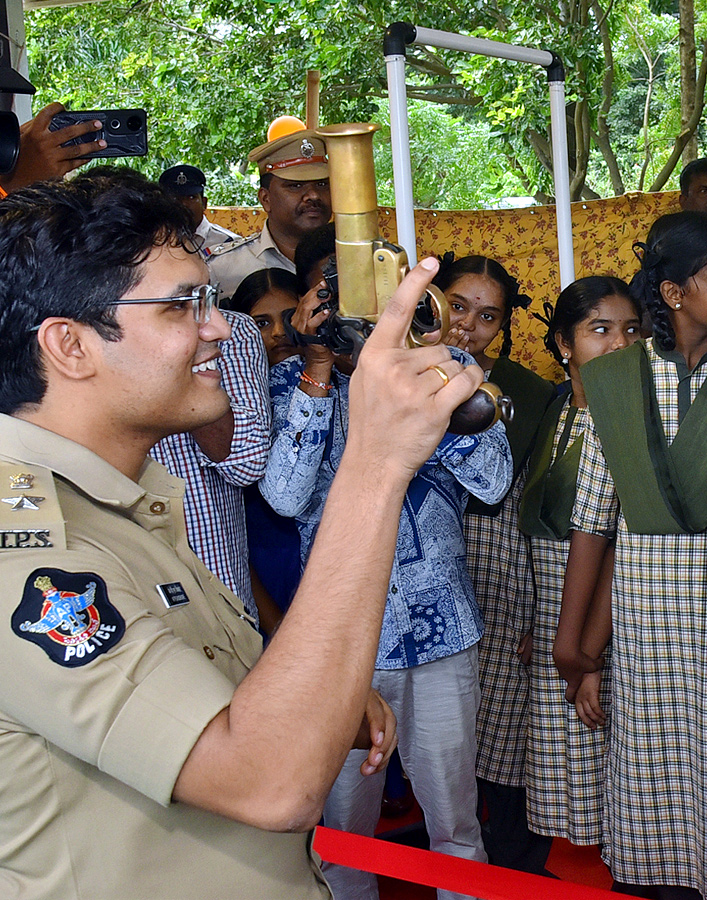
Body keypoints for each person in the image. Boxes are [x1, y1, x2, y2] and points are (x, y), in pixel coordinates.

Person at [0, 171, 488, 898]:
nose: (218, 327)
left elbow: (228, 708)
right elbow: (273, 783)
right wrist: (376, 460)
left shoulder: (134, 507)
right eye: (182, 307)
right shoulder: (20, 567)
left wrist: (321, 699)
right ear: (69, 346)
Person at [260, 262, 511, 900]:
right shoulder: (291, 381)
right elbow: (286, 496)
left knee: (455, 820)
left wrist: (428, 371)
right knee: (346, 835)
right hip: (343, 643)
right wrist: (318, 369)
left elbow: (494, 481)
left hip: (440, 635)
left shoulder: (441, 374)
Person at [554, 211, 707, 898]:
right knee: (654, 760)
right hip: (645, 610)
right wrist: (574, 643)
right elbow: (593, 520)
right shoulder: (615, 379)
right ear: (675, 293)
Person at [436, 254, 556, 872]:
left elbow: (530, 502)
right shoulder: (400, 375)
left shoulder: (530, 393)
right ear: (432, 300)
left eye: (488, 316)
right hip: (426, 571)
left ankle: (512, 858)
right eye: (458, 306)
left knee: (504, 724)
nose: (468, 326)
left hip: (501, 569)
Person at [522, 276, 641, 848]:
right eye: (600, 330)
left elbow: (619, 544)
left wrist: (586, 651)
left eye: (631, 330)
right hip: (554, 613)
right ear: (564, 345)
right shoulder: (555, 410)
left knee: (609, 781)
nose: (619, 345)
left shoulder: (636, 421)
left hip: (602, 619)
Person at [224, 268, 305, 635]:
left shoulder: (336, 391)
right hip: (263, 564)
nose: (278, 332)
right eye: (261, 322)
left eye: (290, 318)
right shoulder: (229, 414)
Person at [208, 129, 332, 300]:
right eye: (295, 186)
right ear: (265, 199)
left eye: (322, 184)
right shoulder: (222, 269)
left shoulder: (361, 259)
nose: (313, 195)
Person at [159, 164, 241, 255]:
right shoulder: (154, 243)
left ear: (204, 203)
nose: (184, 204)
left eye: (191, 197)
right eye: (175, 199)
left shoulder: (228, 243)